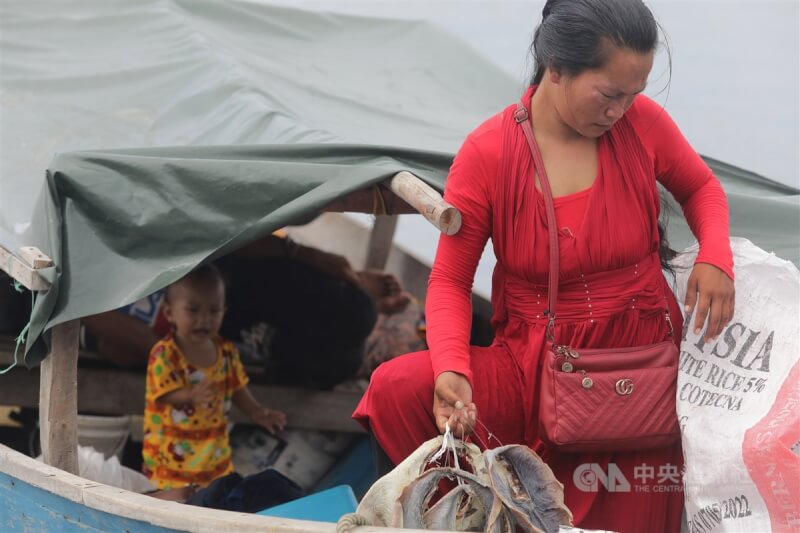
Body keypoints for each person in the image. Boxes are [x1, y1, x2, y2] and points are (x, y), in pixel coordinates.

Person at [353, 1, 736, 531]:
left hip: (640, 371)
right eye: (608, 94)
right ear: (555, 67)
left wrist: (717, 255)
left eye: (633, 96)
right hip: (533, 367)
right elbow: (449, 280)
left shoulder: (643, 125)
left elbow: (701, 188)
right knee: (398, 386)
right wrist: (450, 369)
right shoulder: (489, 152)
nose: (620, 111)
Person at [82, 230, 411, 388]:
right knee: (341, 361)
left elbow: (217, 234)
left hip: (222, 275)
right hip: (210, 330)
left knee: (358, 315)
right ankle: (355, 296)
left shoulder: (111, 235)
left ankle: (355, 290)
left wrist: (305, 253)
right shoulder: (81, 315)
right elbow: (127, 348)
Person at [142, 264, 287, 489]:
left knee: (213, 495)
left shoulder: (226, 351)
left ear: (224, 311)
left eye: (214, 311)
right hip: (171, 457)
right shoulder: (165, 354)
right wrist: (190, 394)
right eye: (193, 310)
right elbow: (163, 395)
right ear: (169, 313)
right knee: (175, 504)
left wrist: (256, 411)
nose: (204, 320)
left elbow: (237, 387)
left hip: (214, 454)